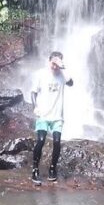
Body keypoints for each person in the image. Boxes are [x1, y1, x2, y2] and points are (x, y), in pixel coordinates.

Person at [30, 50, 73, 184]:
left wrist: (63, 69)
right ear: (49, 62)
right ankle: (35, 169)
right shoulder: (41, 75)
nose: (55, 67)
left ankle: (53, 168)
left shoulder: (62, 76)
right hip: (43, 114)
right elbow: (33, 92)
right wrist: (34, 107)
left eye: (57, 65)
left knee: (56, 141)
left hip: (57, 116)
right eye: (53, 64)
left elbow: (71, 83)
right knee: (41, 140)